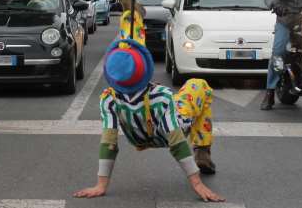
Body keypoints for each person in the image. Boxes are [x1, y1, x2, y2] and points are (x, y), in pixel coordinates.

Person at [73, 38, 224, 201]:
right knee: (199, 85)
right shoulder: (162, 97)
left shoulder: (108, 98)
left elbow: (108, 142)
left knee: (188, 95)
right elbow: (176, 141)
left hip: (138, 138)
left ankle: (202, 149)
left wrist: (100, 185)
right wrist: (197, 183)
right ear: (144, 70)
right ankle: (202, 149)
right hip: (172, 127)